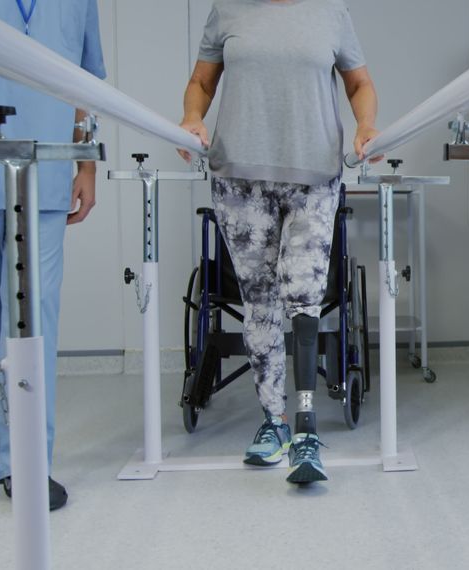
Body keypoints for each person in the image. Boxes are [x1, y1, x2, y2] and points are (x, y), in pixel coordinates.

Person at [180, 0, 379, 484]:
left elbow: (359, 83)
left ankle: (308, 430)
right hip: (239, 177)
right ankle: (275, 423)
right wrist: (191, 117)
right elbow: (202, 82)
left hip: (314, 174)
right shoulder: (227, 9)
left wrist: (366, 125)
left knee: (304, 295)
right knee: (260, 302)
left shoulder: (331, 12)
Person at [0, 0, 106, 511]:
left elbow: (85, 80)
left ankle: (23, 461)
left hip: (45, 176)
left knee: (31, 316)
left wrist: (86, 163)